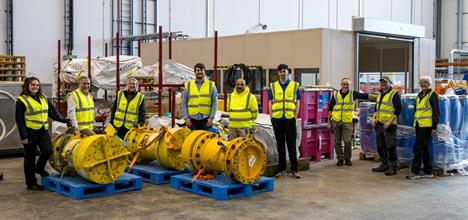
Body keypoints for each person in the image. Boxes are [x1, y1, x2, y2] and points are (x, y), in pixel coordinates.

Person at [15, 77, 70, 191]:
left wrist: (65, 120)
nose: (35, 87)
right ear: (27, 86)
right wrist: (23, 136)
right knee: (30, 157)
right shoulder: (22, 100)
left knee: (48, 151)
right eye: (33, 84)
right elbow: (19, 119)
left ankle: (39, 168)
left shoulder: (43, 97)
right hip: (30, 131)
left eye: (37, 85)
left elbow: (52, 113)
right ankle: (31, 183)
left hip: (42, 130)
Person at [328, 78, 376, 166]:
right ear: (341, 84)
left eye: (347, 84)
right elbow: (330, 108)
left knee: (347, 141)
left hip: (347, 121)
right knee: (337, 141)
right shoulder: (335, 94)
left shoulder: (352, 93)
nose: (345, 86)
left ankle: (347, 158)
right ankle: (340, 158)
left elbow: (365, 95)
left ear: (350, 85)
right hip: (336, 120)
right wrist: (328, 122)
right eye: (344, 84)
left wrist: (378, 98)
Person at [269, 64, 301, 179]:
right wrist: (271, 117)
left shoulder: (294, 86)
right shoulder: (273, 86)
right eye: (281, 71)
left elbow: (298, 102)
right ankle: (282, 169)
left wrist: (295, 116)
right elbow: (270, 102)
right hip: (277, 119)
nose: (283, 73)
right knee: (280, 145)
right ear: (278, 73)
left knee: (292, 145)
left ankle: (294, 170)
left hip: (289, 119)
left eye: (285, 71)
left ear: (288, 73)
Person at [407, 76, 439, 179]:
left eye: (424, 82)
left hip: (426, 125)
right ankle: (428, 171)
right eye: (421, 82)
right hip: (418, 124)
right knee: (424, 148)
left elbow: (436, 112)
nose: (422, 84)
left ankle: (415, 172)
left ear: (429, 84)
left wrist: (434, 127)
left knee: (418, 147)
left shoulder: (432, 95)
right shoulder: (419, 95)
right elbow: (417, 110)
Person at [371, 76, 402, 176]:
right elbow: (377, 108)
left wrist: (389, 122)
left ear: (390, 83)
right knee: (380, 146)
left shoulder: (394, 94)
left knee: (390, 146)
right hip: (379, 124)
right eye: (382, 82)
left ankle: (392, 166)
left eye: (385, 82)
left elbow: (398, 110)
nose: (383, 84)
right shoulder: (380, 94)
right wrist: (373, 118)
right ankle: (384, 164)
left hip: (389, 125)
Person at [181, 63, 218, 130]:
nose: (200, 72)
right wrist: (186, 118)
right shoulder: (188, 85)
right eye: (198, 70)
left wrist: (211, 117)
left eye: (201, 70)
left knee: (205, 139)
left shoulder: (211, 85)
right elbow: (183, 102)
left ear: (204, 71)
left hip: (206, 120)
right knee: (192, 139)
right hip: (191, 120)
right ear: (195, 72)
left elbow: (215, 102)